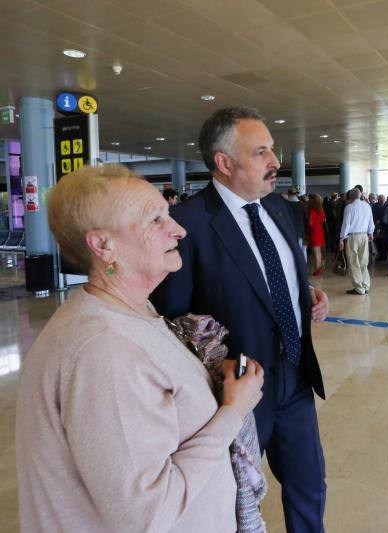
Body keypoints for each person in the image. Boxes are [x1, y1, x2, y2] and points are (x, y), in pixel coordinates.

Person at [16, 164, 264, 532]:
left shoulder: (133, 312)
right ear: (103, 245)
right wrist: (232, 412)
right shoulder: (103, 349)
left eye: (168, 213)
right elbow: (147, 514)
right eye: (154, 220)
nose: (178, 229)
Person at [151, 107, 329, 533]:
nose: (275, 161)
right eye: (261, 151)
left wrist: (306, 298)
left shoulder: (280, 209)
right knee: (233, 500)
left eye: (273, 150)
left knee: (309, 485)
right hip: (233, 392)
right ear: (224, 162)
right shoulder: (189, 224)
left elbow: (275, 279)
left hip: (294, 374)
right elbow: (173, 317)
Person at [339, 188, 375, 295]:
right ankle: (366, 285)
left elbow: (346, 224)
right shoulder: (367, 206)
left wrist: (342, 238)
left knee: (353, 262)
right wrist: (371, 233)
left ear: (350, 196)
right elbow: (370, 221)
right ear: (360, 195)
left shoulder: (349, 207)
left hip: (352, 237)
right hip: (364, 235)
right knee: (363, 262)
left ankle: (359, 288)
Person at [307, 193, 326, 276]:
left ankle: (318, 267)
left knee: (315, 251)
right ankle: (319, 267)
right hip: (320, 230)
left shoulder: (311, 210)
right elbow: (323, 220)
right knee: (319, 251)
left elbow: (310, 223)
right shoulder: (321, 209)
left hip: (314, 231)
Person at [372, 194, 388, 261]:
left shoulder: (387, 205)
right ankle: (380, 255)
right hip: (376, 226)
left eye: (383, 200)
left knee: (385, 242)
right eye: (380, 199)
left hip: (385, 226)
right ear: (378, 200)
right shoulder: (374, 205)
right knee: (377, 241)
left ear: (384, 200)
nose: (381, 201)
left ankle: (384, 255)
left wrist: (381, 220)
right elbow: (372, 214)